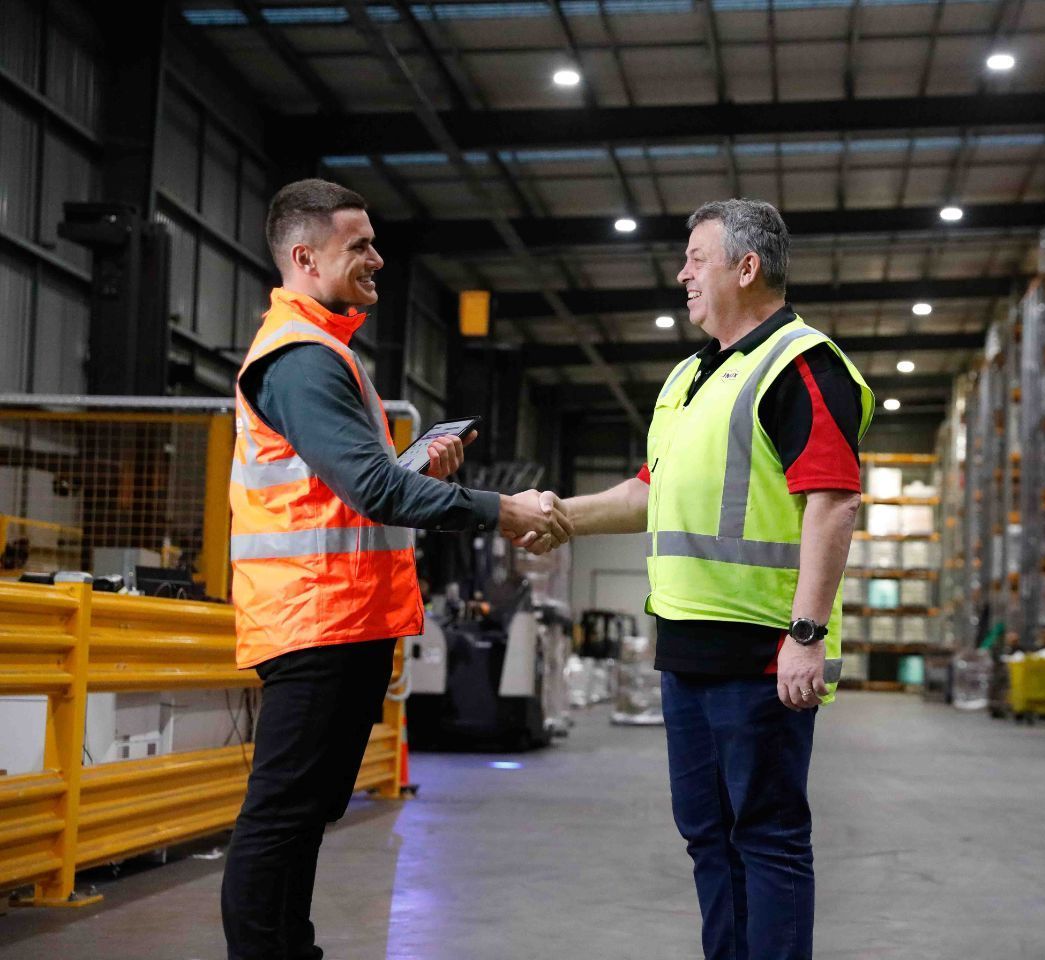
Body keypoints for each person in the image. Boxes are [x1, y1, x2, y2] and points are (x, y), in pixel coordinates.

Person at [221, 178, 570, 960]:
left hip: (340, 620)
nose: (378, 258)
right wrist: (500, 510)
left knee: (303, 815)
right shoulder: (302, 359)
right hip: (315, 622)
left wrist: (424, 471)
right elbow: (373, 490)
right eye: (360, 245)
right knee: (280, 817)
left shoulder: (326, 353)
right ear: (305, 257)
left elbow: (349, 491)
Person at [532, 199, 874, 959]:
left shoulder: (802, 364)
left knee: (768, 839)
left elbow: (834, 499)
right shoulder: (690, 378)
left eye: (696, 258)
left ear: (746, 268)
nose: (682, 274)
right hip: (686, 652)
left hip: (761, 655)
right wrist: (558, 516)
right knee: (708, 839)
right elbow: (647, 494)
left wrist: (807, 637)